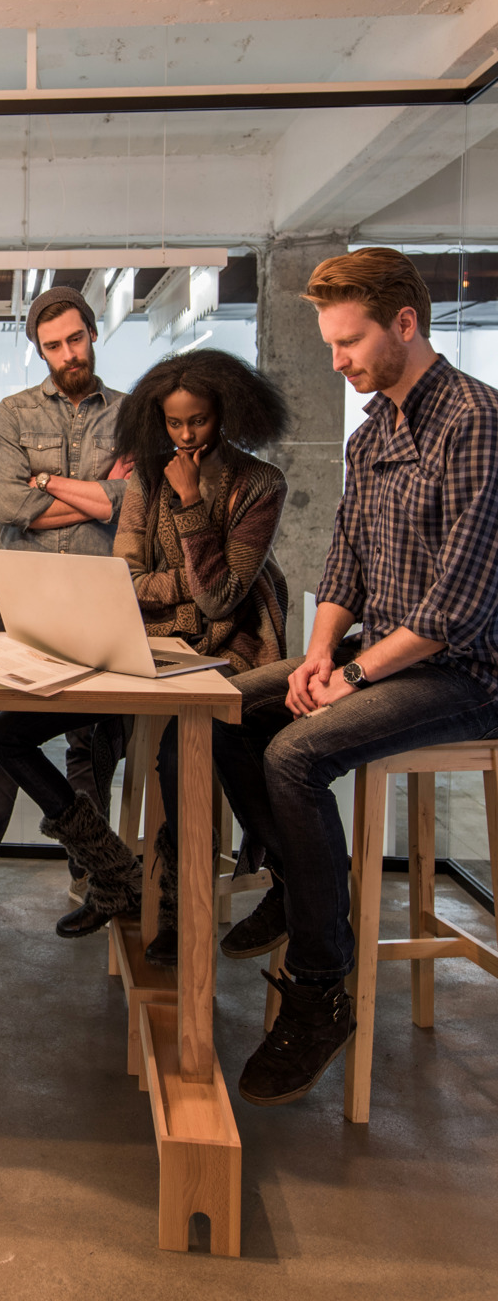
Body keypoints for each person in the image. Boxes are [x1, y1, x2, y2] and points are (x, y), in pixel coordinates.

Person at [210, 247, 498, 1109]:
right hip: (383, 655)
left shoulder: (476, 423)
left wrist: (353, 674)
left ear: (404, 324)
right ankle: (302, 890)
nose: (336, 360)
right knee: (220, 705)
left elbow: (454, 611)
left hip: (469, 674)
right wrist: (317, 656)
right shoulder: (372, 434)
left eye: (349, 342)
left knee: (295, 757)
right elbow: (342, 568)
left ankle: (320, 985)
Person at [0, 349, 290, 941]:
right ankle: (113, 871)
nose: (185, 434)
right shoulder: (147, 476)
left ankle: (176, 909)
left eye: (197, 420)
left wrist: (194, 506)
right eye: (173, 423)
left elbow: (223, 601)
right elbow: (126, 576)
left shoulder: (260, 485)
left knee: (183, 756)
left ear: (225, 412)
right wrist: (187, 591)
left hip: (230, 656)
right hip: (146, 649)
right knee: (5, 734)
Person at [0, 286, 131, 930]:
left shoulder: (130, 414)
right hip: (20, 599)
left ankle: (94, 873)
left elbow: (133, 501)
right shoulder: (12, 414)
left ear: (93, 334)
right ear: (40, 350)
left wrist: (51, 486)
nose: (67, 353)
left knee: (87, 746)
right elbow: (11, 509)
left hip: (98, 596)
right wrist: (98, 494)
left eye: (76, 339)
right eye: (53, 345)